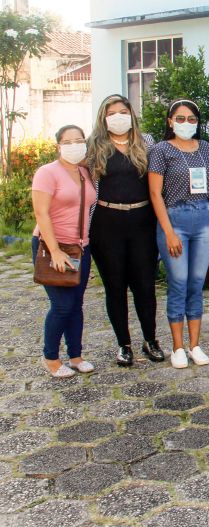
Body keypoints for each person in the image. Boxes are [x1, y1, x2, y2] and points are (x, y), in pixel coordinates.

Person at [86, 94, 165, 367]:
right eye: (112, 113)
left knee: (145, 285)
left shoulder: (148, 143)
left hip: (142, 222)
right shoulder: (93, 147)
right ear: (103, 118)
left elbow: (159, 182)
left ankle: (150, 339)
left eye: (123, 111)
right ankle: (124, 344)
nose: (118, 117)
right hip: (106, 225)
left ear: (131, 114)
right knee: (115, 287)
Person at [148, 99, 209, 369]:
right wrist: (168, 232)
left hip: (203, 220)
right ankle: (177, 347)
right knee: (179, 282)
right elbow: (155, 193)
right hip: (174, 220)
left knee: (196, 283)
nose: (186, 123)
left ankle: (195, 345)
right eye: (180, 118)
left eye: (191, 119)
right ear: (170, 121)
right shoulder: (161, 150)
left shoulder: (206, 148)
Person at [31, 125, 97, 377]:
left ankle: (76, 355)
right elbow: (41, 213)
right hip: (52, 246)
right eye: (68, 141)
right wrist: (56, 251)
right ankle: (50, 357)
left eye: (79, 140)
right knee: (61, 305)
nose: (74, 145)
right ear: (58, 145)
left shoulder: (84, 172)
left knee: (76, 303)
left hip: (80, 247)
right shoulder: (47, 173)